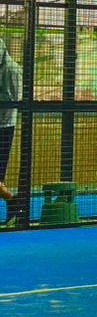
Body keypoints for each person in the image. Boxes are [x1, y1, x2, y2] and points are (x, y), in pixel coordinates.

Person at [0, 37, 23, 229]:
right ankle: (13, 202)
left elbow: (17, 99)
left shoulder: (12, 70)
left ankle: (13, 202)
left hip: (4, 126)